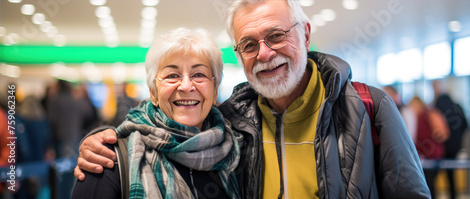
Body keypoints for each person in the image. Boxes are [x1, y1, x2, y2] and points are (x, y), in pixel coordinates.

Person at [74, 0, 431, 198]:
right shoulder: (233, 122)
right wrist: (104, 138)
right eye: (249, 44)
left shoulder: (367, 106)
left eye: (276, 35)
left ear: (305, 35)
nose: (264, 53)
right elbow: (155, 128)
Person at [71, 28, 241, 199]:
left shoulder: (239, 151)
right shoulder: (106, 158)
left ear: (215, 91)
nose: (186, 86)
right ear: (153, 92)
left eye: (199, 74)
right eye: (172, 75)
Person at [432, 79, 468, 199]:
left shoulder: (436, 107)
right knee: (451, 174)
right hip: (455, 147)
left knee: (433, 176)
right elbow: (466, 125)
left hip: (440, 147)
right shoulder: (456, 106)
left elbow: (436, 130)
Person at [408, 96, 449, 199]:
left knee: (428, 185)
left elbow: (425, 136)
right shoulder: (429, 114)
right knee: (430, 184)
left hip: (430, 155)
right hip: (435, 154)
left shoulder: (424, 115)